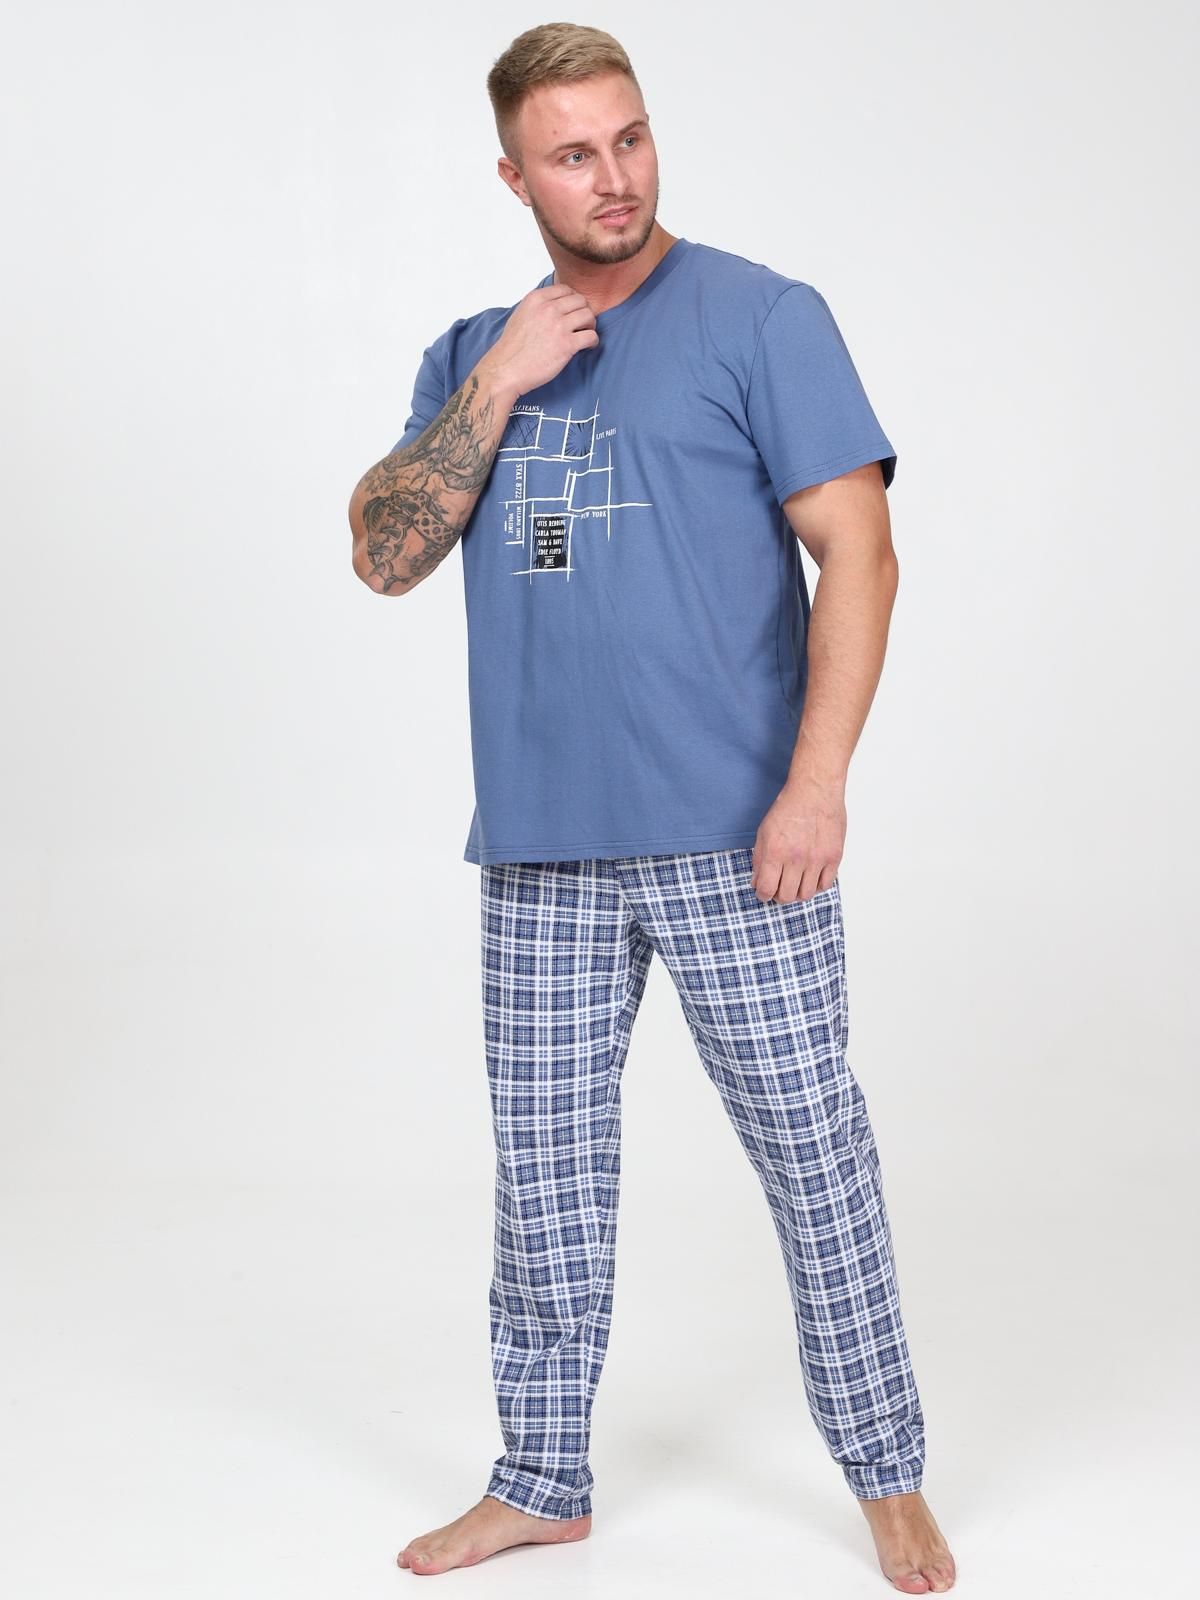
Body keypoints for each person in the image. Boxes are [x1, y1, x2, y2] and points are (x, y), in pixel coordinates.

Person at [347, 22, 956, 1594]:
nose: (612, 177)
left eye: (629, 139)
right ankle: (540, 1478)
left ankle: (887, 1473)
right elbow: (385, 552)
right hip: (542, 840)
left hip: (738, 835)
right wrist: (501, 380)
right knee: (544, 1178)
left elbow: (862, 552)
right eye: (572, 154)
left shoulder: (762, 316)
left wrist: (816, 784)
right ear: (514, 178)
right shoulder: (471, 353)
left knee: (815, 1154)